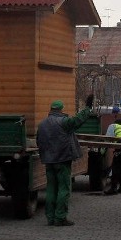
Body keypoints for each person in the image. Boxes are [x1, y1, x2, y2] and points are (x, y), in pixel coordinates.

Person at [36, 96, 92, 226]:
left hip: (49, 161)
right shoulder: (63, 122)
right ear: (61, 110)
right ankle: (60, 217)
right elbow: (78, 120)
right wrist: (88, 109)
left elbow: (39, 141)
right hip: (62, 160)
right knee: (63, 189)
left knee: (51, 189)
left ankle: (50, 217)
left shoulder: (42, 124)